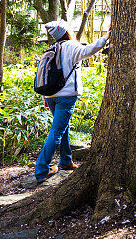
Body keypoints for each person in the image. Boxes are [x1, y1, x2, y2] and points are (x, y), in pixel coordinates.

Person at [34, 19, 108, 183]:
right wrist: (106, 37)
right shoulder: (71, 46)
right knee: (57, 131)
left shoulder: (52, 48)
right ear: (67, 32)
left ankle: (66, 161)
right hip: (66, 97)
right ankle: (41, 169)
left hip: (51, 97)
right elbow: (90, 50)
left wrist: (46, 98)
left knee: (62, 128)